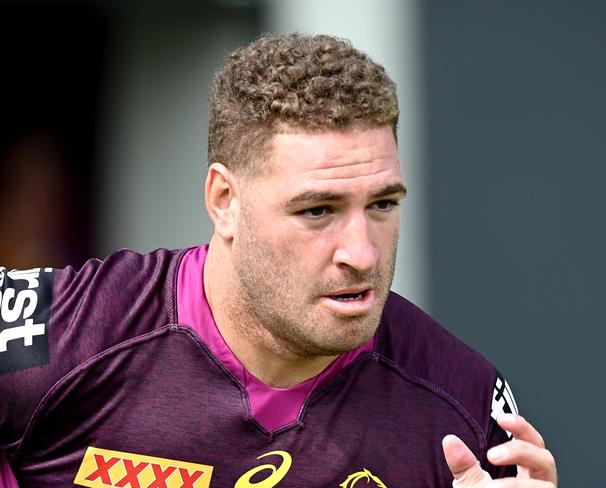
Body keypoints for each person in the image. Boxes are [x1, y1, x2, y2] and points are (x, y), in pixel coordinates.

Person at [0, 33, 557, 487]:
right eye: (318, 211)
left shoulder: (460, 414)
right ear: (225, 201)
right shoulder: (53, 336)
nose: (361, 254)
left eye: (383, 204)